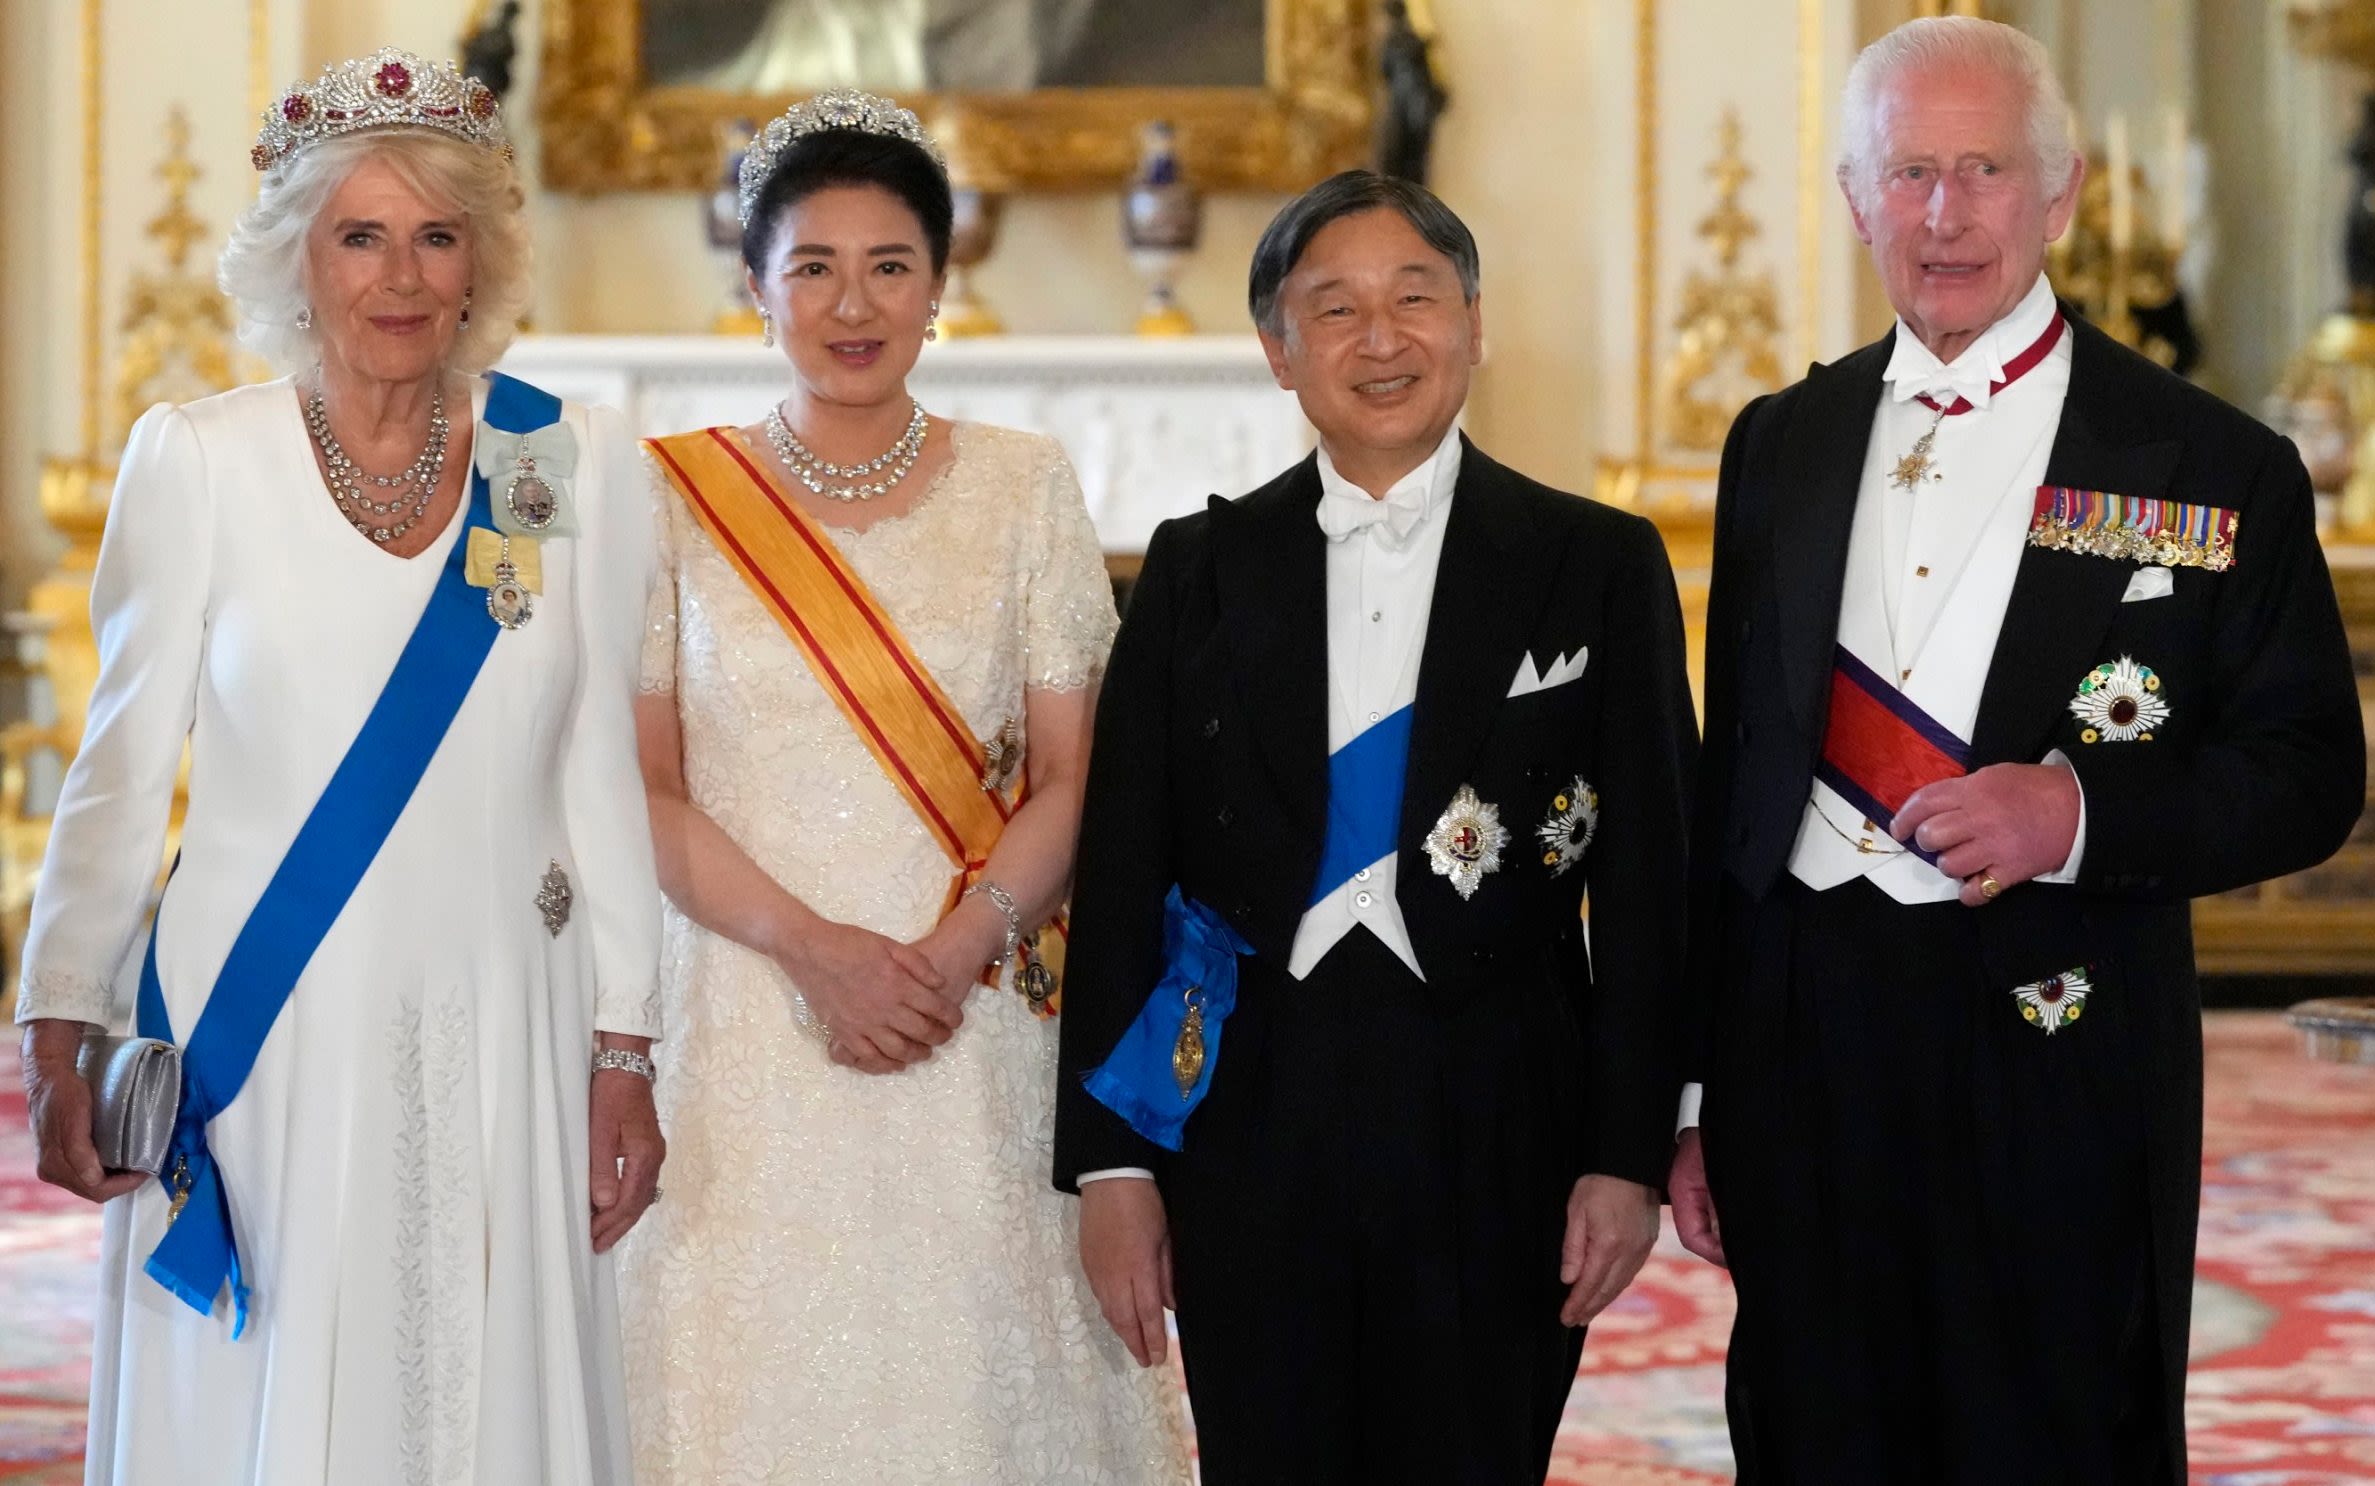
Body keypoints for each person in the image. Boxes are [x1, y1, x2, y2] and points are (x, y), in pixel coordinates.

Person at [1669, 18, 2366, 1484]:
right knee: (1812, 1432)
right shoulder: (1775, 444)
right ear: (1857, 202)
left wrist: (2077, 812)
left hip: (2061, 1036)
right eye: (1909, 171)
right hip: (1806, 1046)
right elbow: (1731, 786)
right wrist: (1692, 1094)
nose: (1944, 211)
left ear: (2061, 196)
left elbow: (2312, 768)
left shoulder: (2211, 462)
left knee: (2051, 1438)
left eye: (1984, 168)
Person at [13, 48, 664, 1485]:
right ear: (297, 259)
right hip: (268, 1024)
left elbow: (599, 772)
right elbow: (117, 778)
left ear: (481, 262)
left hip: (509, 999)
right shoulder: (198, 461)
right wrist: (58, 1029)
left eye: (438, 237)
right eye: (359, 234)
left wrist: (626, 1045)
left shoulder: (570, 465)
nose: (402, 276)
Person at [1056, 169, 1699, 1482]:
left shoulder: (1596, 560)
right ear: (1278, 354)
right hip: (1253, 1110)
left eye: (1417, 297)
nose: (1382, 336)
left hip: (1502, 1106)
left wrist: (1627, 1151)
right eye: (1334, 308)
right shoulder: (1197, 570)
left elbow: (1653, 881)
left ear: (1474, 322)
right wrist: (1112, 1164)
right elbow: (1124, 866)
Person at [619, 90, 1190, 1484]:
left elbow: (1075, 775)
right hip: (749, 1016)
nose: (851, 302)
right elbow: (646, 791)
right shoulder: (667, 498)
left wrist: (944, 952)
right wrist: (820, 953)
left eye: (890, 266)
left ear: (940, 287)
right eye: (811, 265)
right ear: (755, 286)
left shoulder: (1025, 484)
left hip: (973, 1013)